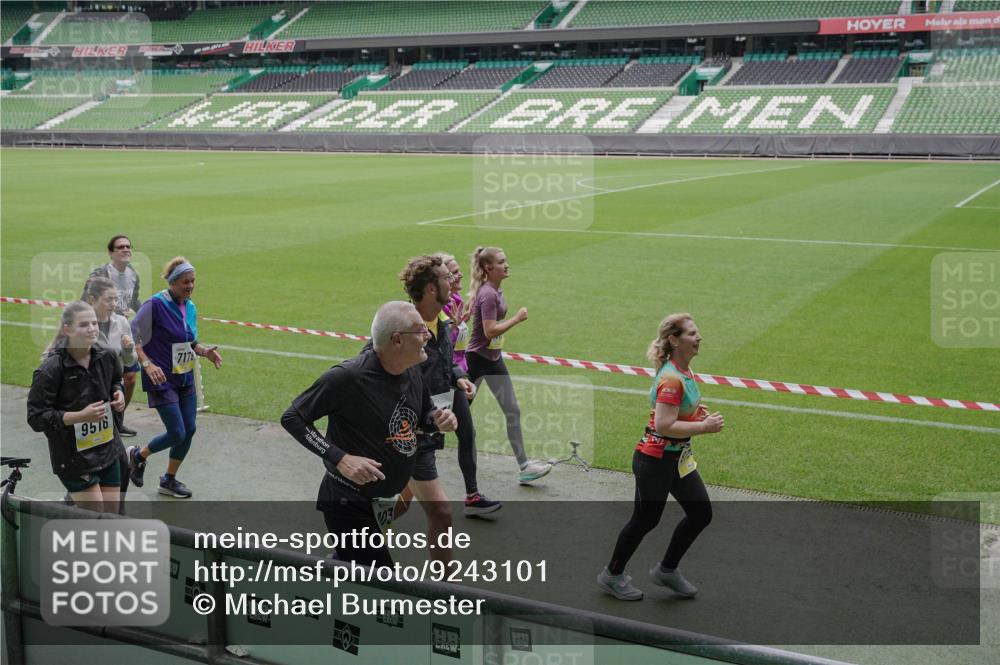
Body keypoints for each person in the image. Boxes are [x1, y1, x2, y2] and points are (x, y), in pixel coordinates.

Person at [281, 301, 458, 566]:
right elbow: (293, 417)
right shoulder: (349, 377)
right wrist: (340, 458)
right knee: (386, 587)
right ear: (397, 340)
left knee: (363, 580)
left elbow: (424, 413)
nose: (428, 336)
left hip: (383, 502)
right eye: (420, 330)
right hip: (348, 502)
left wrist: (438, 420)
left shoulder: (411, 368)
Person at [598, 313, 724, 601]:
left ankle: (667, 570)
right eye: (692, 333)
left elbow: (674, 414)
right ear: (674, 340)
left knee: (700, 513)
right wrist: (703, 427)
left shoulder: (684, 371)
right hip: (654, 461)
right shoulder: (671, 379)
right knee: (645, 520)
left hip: (676, 459)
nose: (699, 337)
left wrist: (693, 414)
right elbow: (664, 425)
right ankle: (612, 575)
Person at [128, 257, 222, 499]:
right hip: (161, 378)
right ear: (172, 282)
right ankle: (138, 455)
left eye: (193, 281)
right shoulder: (155, 305)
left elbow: (189, 341)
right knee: (177, 432)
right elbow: (131, 335)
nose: (190, 286)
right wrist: (147, 364)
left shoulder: (190, 306)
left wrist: (205, 352)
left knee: (189, 429)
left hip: (184, 377)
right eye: (185, 282)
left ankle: (168, 480)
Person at [27, 301, 127, 513]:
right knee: (96, 515)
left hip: (107, 447)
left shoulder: (107, 355)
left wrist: (119, 394)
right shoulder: (51, 369)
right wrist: (80, 416)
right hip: (73, 455)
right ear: (67, 329)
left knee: (111, 516)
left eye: (94, 323)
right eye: (83, 325)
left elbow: (116, 381)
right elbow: (36, 417)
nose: (91, 328)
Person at [465, 246, 551, 484]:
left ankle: (525, 467)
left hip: (493, 359)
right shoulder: (489, 294)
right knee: (457, 413)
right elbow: (489, 330)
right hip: (478, 361)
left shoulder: (494, 290)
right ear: (488, 268)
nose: (507, 265)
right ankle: (421, 445)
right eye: (502, 262)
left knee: (512, 410)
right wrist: (517, 319)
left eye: (506, 260)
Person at [434, 252, 500, 517]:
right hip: (437, 381)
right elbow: (438, 345)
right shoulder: (436, 308)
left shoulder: (457, 301)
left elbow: (455, 348)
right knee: (426, 443)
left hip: (456, 376)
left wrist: (462, 374)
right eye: (454, 272)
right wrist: (454, 324)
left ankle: (472, 496)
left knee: (467, 433)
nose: (460, 275)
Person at [83, 276, 137, 508]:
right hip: (84, 405)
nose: (114, 304)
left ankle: (113, 510)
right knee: (91, 464)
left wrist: (128, 350)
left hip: (109, 404)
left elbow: (128, 362)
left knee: (116, 463)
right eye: (109, 299)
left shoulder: (122, 324)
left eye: (116, 299)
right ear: (92, 299)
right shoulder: (81, 324)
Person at [85, 235, 141, 436]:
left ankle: (117, 418)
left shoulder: (133, 274)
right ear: (110, 252)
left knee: (131, 377)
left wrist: (145, 315)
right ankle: (98, 420)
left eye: (128, 246)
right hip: (103, 331)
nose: (125, 250)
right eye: (120, 247)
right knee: (104, 378)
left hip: (122, 328)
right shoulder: (100, 274)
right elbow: (86, 301)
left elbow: (134, 300)